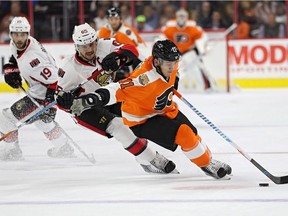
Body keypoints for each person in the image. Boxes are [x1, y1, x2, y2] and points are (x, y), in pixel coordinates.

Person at [58, 39, 232, 180]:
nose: (172, 66)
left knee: (193, 135)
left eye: (175, 62)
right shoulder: (142, 78)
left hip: (165, 109)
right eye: (168, 63)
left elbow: (132, 51)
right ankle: (205, 165)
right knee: (185, 134)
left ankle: (208, 160)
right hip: (143, 119)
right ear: (156, 62)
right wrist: (92, 98)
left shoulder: (169, 65)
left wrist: (119, 56)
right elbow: (116, 89)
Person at [56, 23, 176, 174]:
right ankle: (153, 159)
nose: (90, 49)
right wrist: (65, 101)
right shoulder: (68, 69)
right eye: (84, 46)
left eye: (92, 44)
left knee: (136, 116)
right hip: (84, 106)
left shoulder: (105, 45)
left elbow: (132, 49)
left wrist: (117, 55)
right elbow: (60, 101)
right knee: (118, 127)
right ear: (76, 46)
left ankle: (142, 159)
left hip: (106, 96)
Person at [0, 17, 75, 161]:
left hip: (41, 98)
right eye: (16, 34)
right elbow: (15, 57)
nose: (19, 38)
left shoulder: (32, 59)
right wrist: (11, 68)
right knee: (43, 122)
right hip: (38, 94)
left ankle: (12, 151)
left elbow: (55, 80)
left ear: (27, 34)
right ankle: (63, 146)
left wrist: (48, 102)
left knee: (4, 118)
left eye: (22, 34)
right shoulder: (22, 43)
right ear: (11, 34)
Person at [162, 8, 216, 92]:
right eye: (180, 16)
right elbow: (163, 38)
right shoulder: (170, 29)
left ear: (187, 18)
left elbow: (203, 36)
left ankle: (208, 86)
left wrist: (204, 47)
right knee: (173, 69)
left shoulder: (192, 28)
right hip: (177, 52)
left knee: (201, 68)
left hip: (191, 51)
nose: (181, 18)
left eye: (183, 16)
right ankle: (169, 86)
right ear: (176, 17)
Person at [98, 7, 149, 80]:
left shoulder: (125, 32)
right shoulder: (104, 30)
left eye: (116, 19)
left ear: (120, 19)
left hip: (140, 55)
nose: (114, 22)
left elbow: (132, 51)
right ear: (108, 20)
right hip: (123, 55)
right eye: (111, 19)